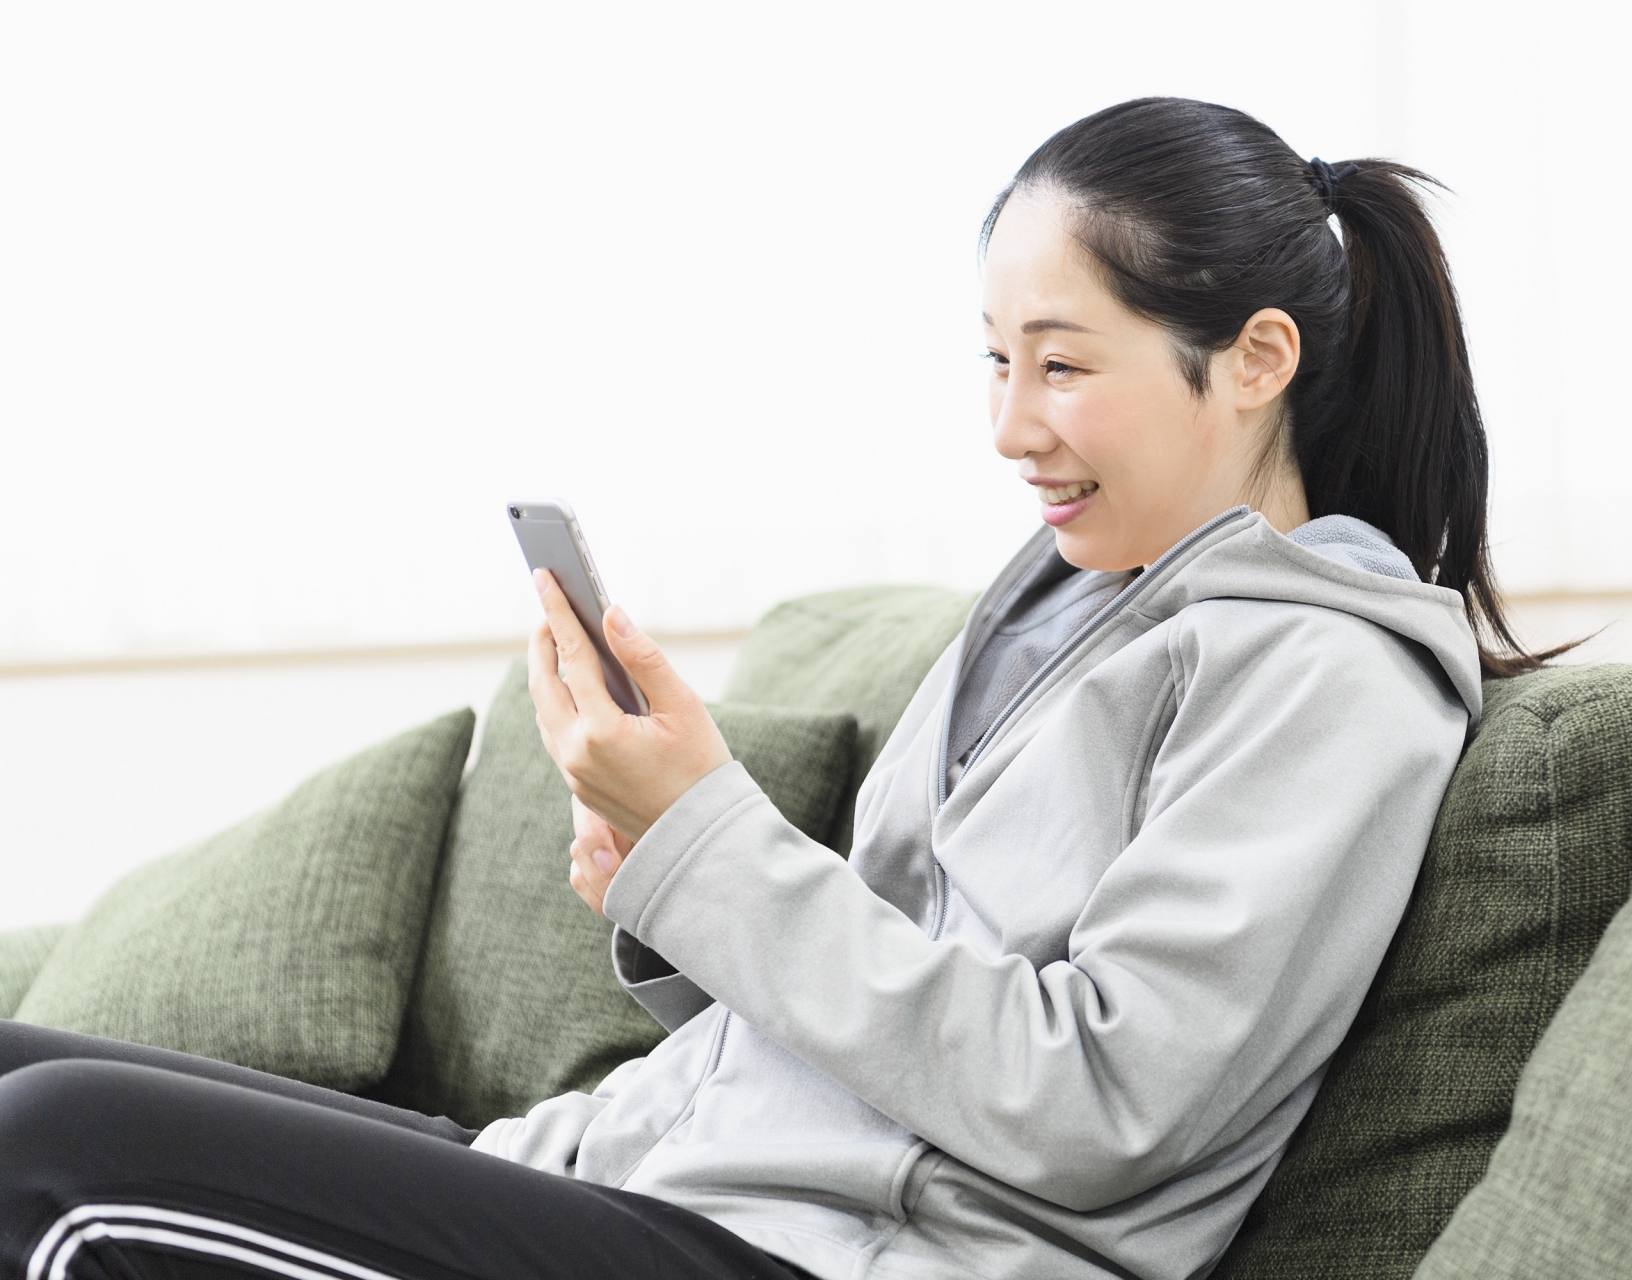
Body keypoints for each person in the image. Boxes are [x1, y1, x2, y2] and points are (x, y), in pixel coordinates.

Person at [0, 97, 1542, 1280]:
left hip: (819, 1258)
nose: (1012, 427)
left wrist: (720, 850)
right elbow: (889, 997)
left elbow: (1101, 1102)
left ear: (1258, 360)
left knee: (56, 1151)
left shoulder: (1330, 677)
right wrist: (675, 886)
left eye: (1063, 366)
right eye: (994, 361)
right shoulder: (1063, 605)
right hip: (660, 1175)